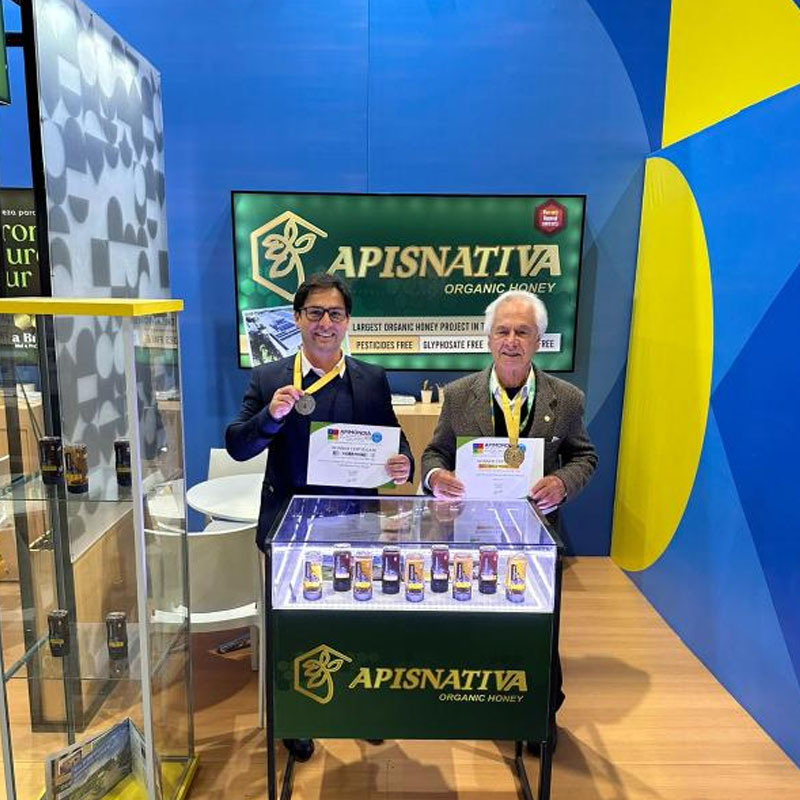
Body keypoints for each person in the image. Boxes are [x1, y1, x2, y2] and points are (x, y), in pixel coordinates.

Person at [225, 272, 413, 762]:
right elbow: (239, 445)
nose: (325, 323)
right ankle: (297, 717)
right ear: (297, 318)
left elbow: (394, 439)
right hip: (291, 529)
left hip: (355, 526)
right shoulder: (270, 378)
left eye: (335, 314)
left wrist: (404, 463)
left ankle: (360, 706)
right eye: (315, 313)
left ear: (347, 322)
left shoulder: (371, 379)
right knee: (294, 626)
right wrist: (270, 416)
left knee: (358, 622)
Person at [421, 290, 597, 752]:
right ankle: (481, 701)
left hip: (535, 536)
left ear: (539, 340)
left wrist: (562, 483)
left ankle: (541, 712)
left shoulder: (567, 399)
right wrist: (436, 476)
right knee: (480, 620)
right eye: (502, 331)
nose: (512, 340)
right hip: (473, 534)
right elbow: (434, 452)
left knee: (539, 627)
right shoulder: (458, 395)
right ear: (488, 338)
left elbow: (584, 456)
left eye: (523, 331)